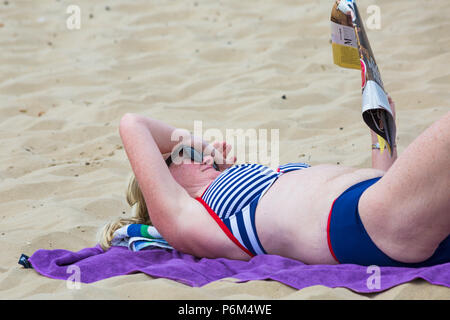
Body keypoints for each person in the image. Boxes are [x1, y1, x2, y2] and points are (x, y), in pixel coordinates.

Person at [99, 96, 450, 267]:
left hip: (385, 208)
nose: (201, 157)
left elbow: (385, 188)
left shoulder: (252, 178)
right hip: (370, 222)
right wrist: (200, 142)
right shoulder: (187, 219)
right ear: (162, 182)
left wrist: (381, 137)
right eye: (184, 155)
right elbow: (133, 124)